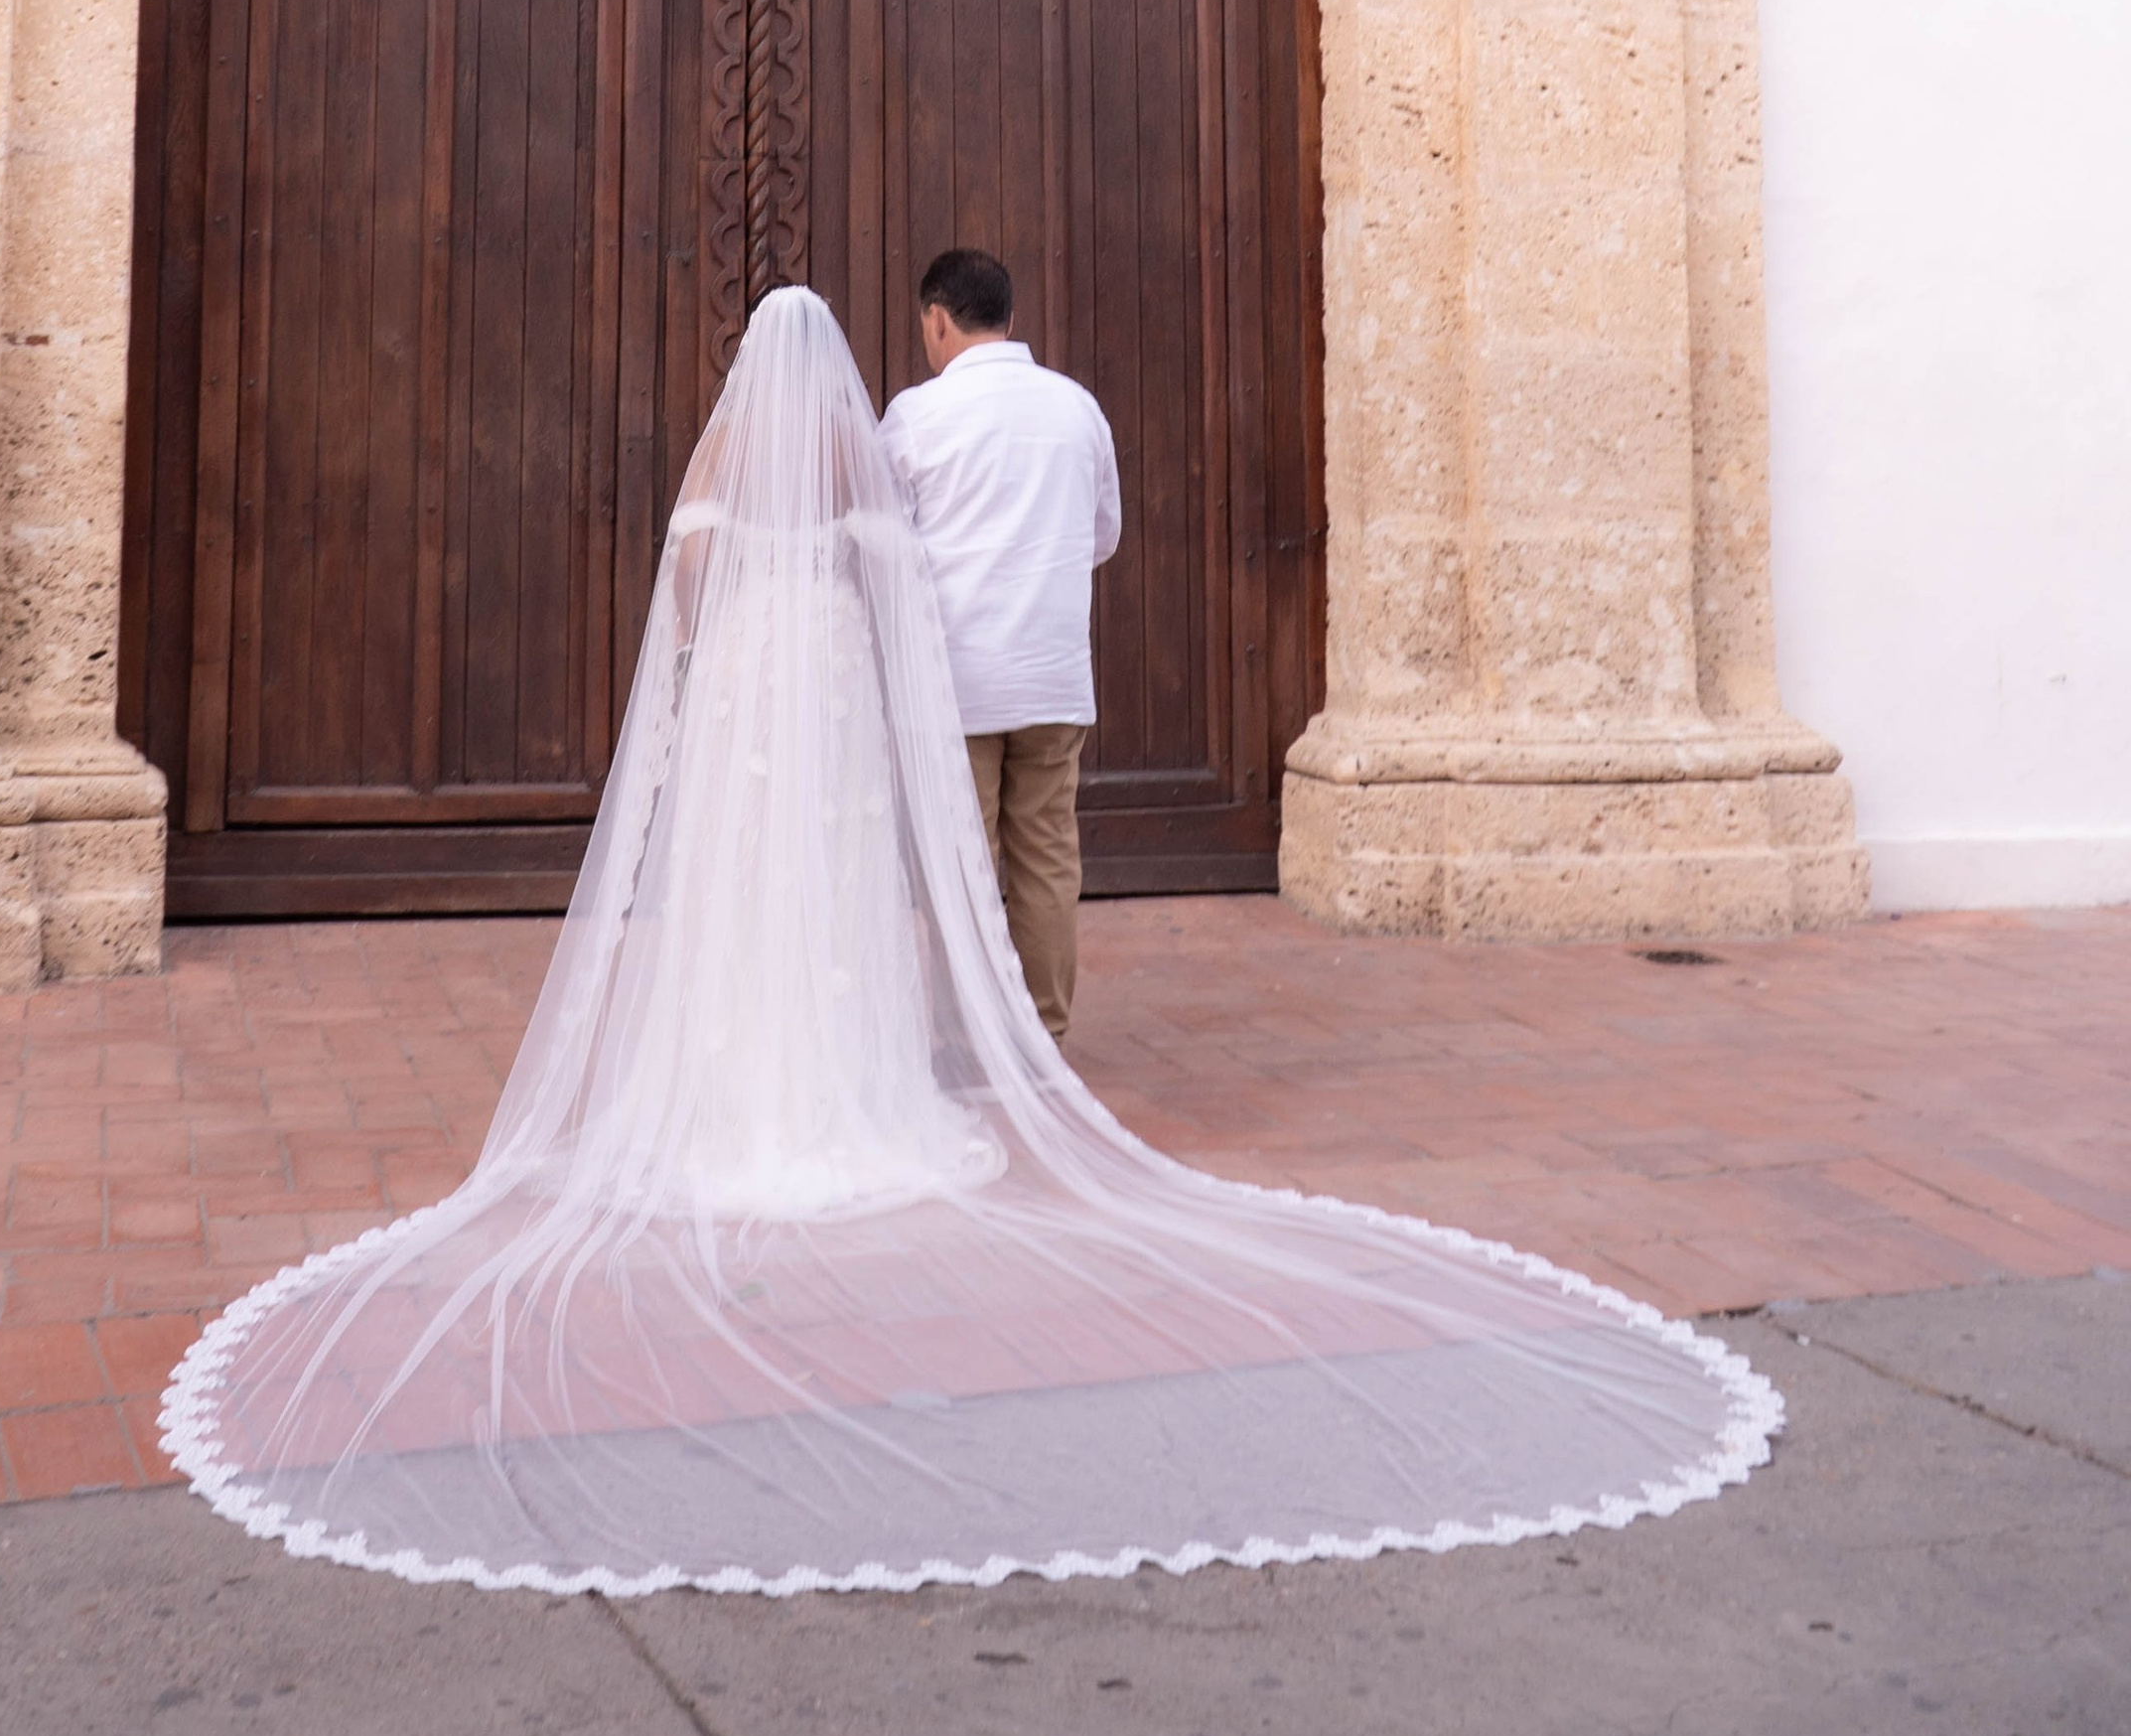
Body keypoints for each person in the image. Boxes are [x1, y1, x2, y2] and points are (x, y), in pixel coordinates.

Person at [163, 287, 1779, 1601]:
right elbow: (1071, 534)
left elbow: (723, 572)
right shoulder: (1053, 410)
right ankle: (1027, 1035)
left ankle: (887, 1041)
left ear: (935, 325)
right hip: (1031, 663)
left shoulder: (895, 428)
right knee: (1017, 852)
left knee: (824, 869)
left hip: (867, 677)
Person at [878, 248, 1118, 1042]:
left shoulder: (916, 416)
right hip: (1052, 674)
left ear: (936, 321)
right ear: (1010, 319)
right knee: (1048, 855)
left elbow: (884, 541)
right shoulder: (1077, 408)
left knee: (964, 864)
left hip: (958, 676)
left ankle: (977, 1036)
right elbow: (1102, 535)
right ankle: (1044, 1032)